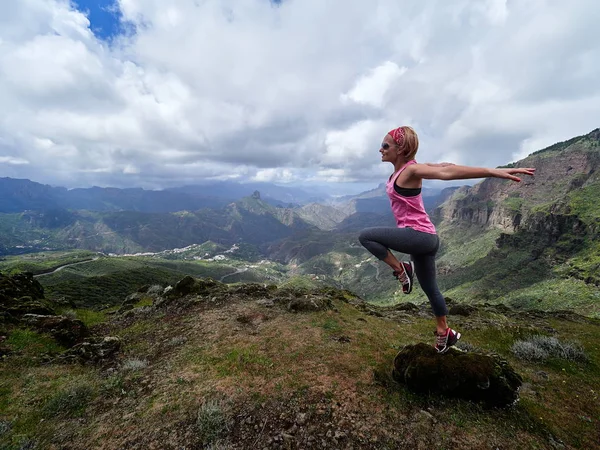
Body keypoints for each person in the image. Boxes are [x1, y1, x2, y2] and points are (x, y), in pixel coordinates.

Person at [358, 126, 535, 353]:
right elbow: (444, 165)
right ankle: (445, 332)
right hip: (425, 238)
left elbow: (447, 173)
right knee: (431, 290)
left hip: (419, 236)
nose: (380, 149)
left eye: (385, 145)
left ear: (400, 149)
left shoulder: (411, 171)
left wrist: (494, 172)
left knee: (366, 236)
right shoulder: (406, 170)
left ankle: (402, 270)